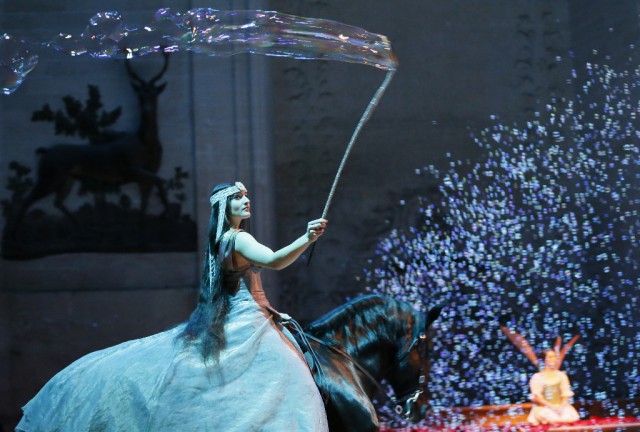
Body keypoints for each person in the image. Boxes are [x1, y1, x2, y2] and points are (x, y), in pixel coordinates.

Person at [17, 181, 329, 431]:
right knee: (290, 376)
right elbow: (274, 261)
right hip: (247, 319)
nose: (245, 202)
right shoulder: (238, 239)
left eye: (245, 196)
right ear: (224, 206)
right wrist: (306, 238)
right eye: (237, 198)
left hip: (241, 313)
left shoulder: (221, 239)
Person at [527, 349, 580, 426]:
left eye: (554, 356)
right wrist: (551, 406)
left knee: (568, 417)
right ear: (544, 360)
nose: (553, 359)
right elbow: (537, 397)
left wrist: (561, 406)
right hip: (544, 408)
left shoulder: (561, 376)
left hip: (561, 407)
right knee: (551, 418)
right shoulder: (537, 377)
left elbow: (565, 394)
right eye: (550, 357)